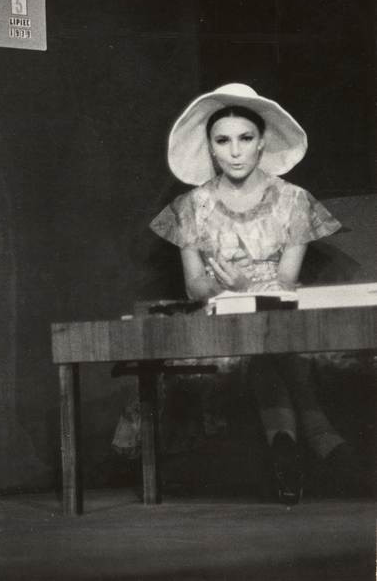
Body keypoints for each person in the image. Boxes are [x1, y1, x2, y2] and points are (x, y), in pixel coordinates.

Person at [146, 82, 368, 504]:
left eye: (245, 139)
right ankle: (321, 437)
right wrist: (223, 286)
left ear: (262, 142)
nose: (234, 152)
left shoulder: (294, 200)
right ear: (210, 147)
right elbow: (194, 285)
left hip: (279, 310)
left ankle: (287, 447)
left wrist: (247, 288)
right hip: (217, 314)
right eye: (222, 141)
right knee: (264, 344)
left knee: (269, 338)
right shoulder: (191, 206)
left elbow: (286, 280)